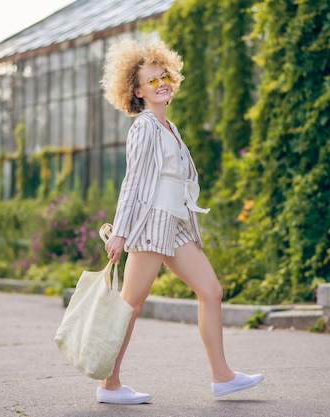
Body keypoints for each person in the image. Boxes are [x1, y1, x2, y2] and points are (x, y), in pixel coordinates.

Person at [96, 37, 264, 405]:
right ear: (137, 91)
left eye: (163, 76)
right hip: (151, 225)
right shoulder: (144, 127)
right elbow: (134, 182)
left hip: (176, 226)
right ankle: (109, 384)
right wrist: (120, 232)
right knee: (130, 306)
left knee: (211, 291)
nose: (160, 84)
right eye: (151, 80)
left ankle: (222, 377)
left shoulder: (168, 128)